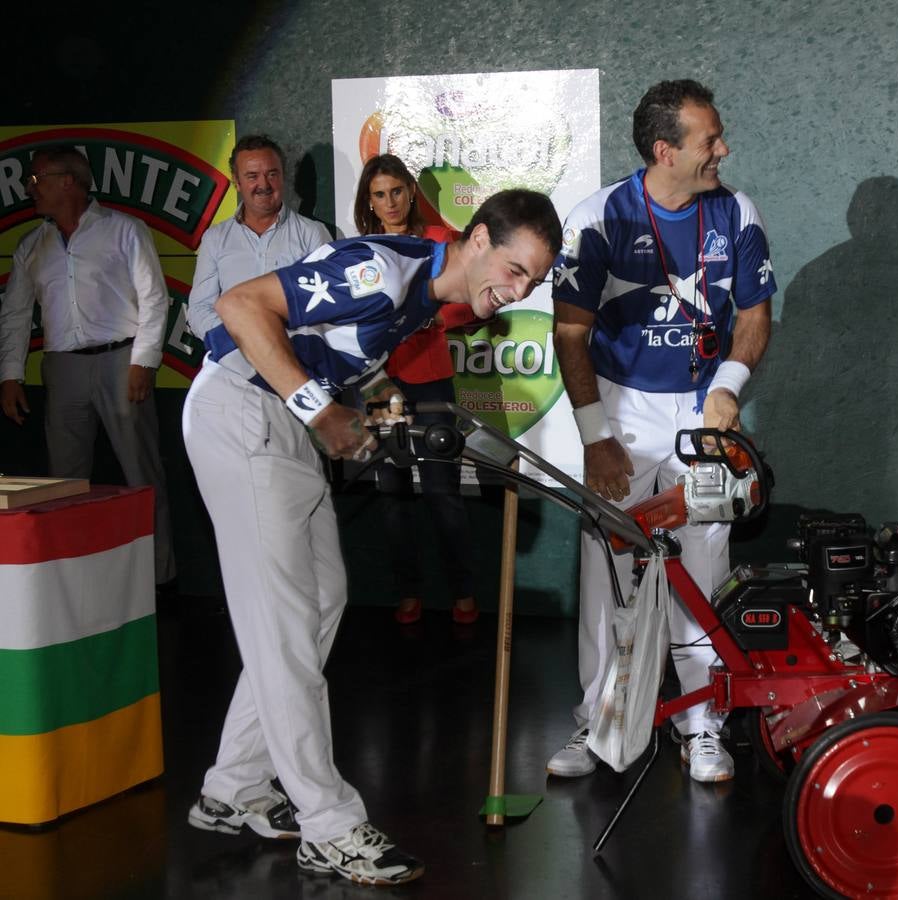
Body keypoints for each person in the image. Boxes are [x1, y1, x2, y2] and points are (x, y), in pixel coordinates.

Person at [182, 189, 559, 885]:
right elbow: (239, 306)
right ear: (477, 239)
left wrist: (356, 409)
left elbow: (335, 351)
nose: (516, 290)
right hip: (243, 415)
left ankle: (232, 787)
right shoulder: (383, 272)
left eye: (531, 282)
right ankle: (328, 824)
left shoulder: (421, 287)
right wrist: (322, 411)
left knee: (322, 599)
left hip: (283, 426)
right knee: (285, 627)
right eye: (512, 269)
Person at [548, 79, 775, 782]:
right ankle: (602, 723)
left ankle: (699, 722)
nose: (723, 149)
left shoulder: (735, 210)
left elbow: (753, 314)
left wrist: (727, 391)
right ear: (664, 150)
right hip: (620, 409)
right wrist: (595, 434)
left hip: (700, 408)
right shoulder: (598, 218)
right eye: (709, 139)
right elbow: (569, 333)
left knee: (703, 567)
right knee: (610, 573)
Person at [0, 145, 176, 586]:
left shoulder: (124, 230)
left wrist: (144, 361)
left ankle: (158, 581)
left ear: (68, 181)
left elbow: (154, 298)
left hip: (121, 361)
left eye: (37, 178)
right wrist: (9, 376)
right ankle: (71, 584)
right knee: (63, 481)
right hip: (61, 368)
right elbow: (16, 315)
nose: (30, 188)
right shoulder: (32, 246)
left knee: (141, 473)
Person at [353, 153, 479, 626]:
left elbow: (467, 304)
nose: (390, 202)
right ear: (369, 201)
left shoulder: (440, 243)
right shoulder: (361, 249)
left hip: (430, 376)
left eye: (397, 191)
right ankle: (408, 590)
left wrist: (433, 316)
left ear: (411, 191)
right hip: (379, 382)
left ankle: (463, 592)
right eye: (379, 195)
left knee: (443, 492)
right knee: (392, 495)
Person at [187, 134, 331, 340]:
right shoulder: (215, 239)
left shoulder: (313, 234)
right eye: (252, 176)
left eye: (272, 174)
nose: (264, 184)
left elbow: (328, 304)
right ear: (236, 182)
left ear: (283, 177)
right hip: (234, 359)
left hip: (297, 359)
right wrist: (238, 342)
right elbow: (200, 308)